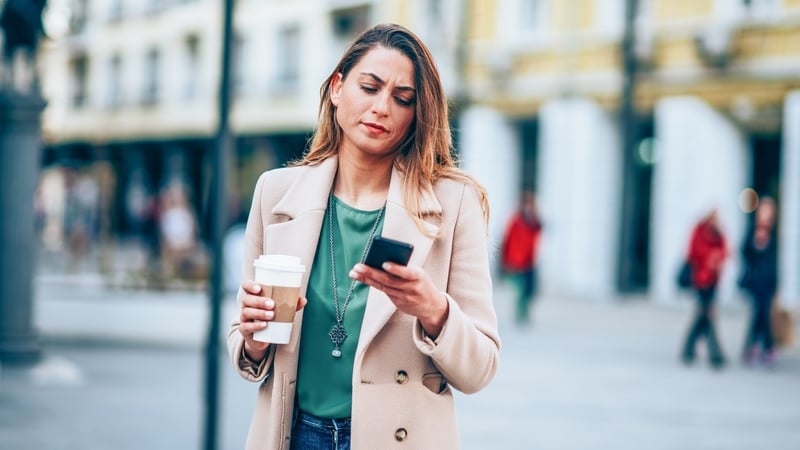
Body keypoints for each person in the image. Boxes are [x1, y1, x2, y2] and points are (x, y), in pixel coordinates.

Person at [228, 23, 501, 450]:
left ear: (417, 113)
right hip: (291, 435)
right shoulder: (276, 193)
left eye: (402, 98)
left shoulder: (455, 202)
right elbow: (246, 346)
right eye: (369, 87)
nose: (382, 107)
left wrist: (433, 311)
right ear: (337, 88)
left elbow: (481, 369)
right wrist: (252, 337)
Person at [680, 208, 729, 369]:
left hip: (713, 281)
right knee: (706, 315)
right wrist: (710, 256)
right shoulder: (700, 230)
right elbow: (693, 251)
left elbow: (725, 250)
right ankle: (715, 354)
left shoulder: (718, 233)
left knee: (703, 316)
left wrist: (717, 257)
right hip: (700, 280)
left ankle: (689, 350)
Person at [738, 196, 779, 367]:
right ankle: (762, 347)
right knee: (759, 313)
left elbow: (774, 259)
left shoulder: (774, 231)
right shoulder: (752, 228)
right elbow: (745, 251)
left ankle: (756, 347)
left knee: (763, 314)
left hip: (768, 281)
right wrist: (756, 242)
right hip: (755, 281)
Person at [500, 190, 542, 325]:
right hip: (516, 261)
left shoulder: (535, 222)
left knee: (531, 290)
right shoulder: (516, 221)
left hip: (530, 261)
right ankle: (520, 314)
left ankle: (525, 312)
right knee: (521, 289)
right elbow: (507, 240)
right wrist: (505, 261)